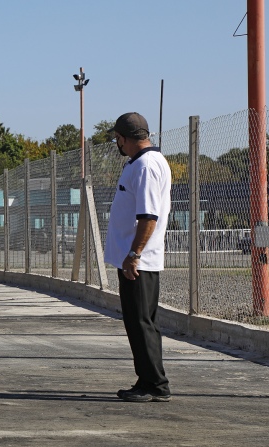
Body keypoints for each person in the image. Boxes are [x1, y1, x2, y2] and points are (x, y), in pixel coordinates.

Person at [104, 112, 172, 403]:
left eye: (117, 139)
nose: (117, 144)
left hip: (138, 262)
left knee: (140, 322)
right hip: (137, 259)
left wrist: (133, 255)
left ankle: (154, 385)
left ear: (124, 139)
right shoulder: (145, 162)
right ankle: (148, 379)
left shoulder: (145, 166)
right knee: (142, 322)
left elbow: (148, 217)